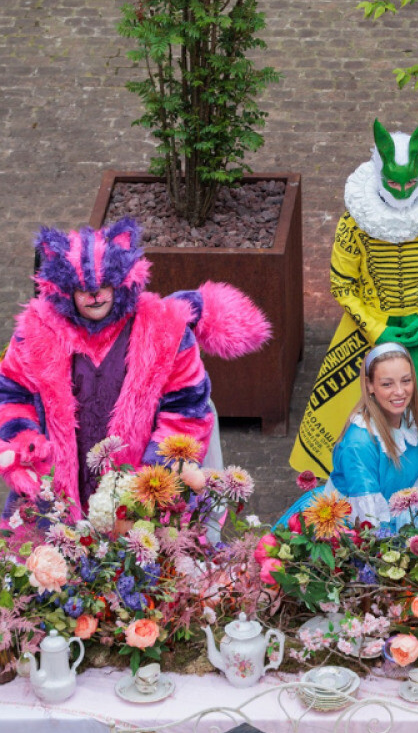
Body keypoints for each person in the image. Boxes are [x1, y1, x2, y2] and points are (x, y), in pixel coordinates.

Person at [0, 218, 270, 520]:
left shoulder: (164, 329)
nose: (95, 295)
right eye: (83, 289)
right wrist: (26, 447)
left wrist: (151, 484)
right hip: (55, 505)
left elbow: (186, 411)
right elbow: (12, 396)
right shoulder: (35, 333)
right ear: (64, 288)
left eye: (104, 285)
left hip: (146, 507)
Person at [291, 117, 418, 484]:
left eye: (410, 182)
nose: (402, 191)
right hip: (370, 334)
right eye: (394, 183)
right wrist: (377, 329)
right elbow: (342, 283)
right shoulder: (354, 224)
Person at [287, 343, 418, 533]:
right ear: (370, 385)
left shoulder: (415, 417)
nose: (400, 392)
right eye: (387, 384)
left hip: (400, 518)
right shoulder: (360, 442)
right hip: (353, 530)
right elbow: (367, 525)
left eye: (406, 381)